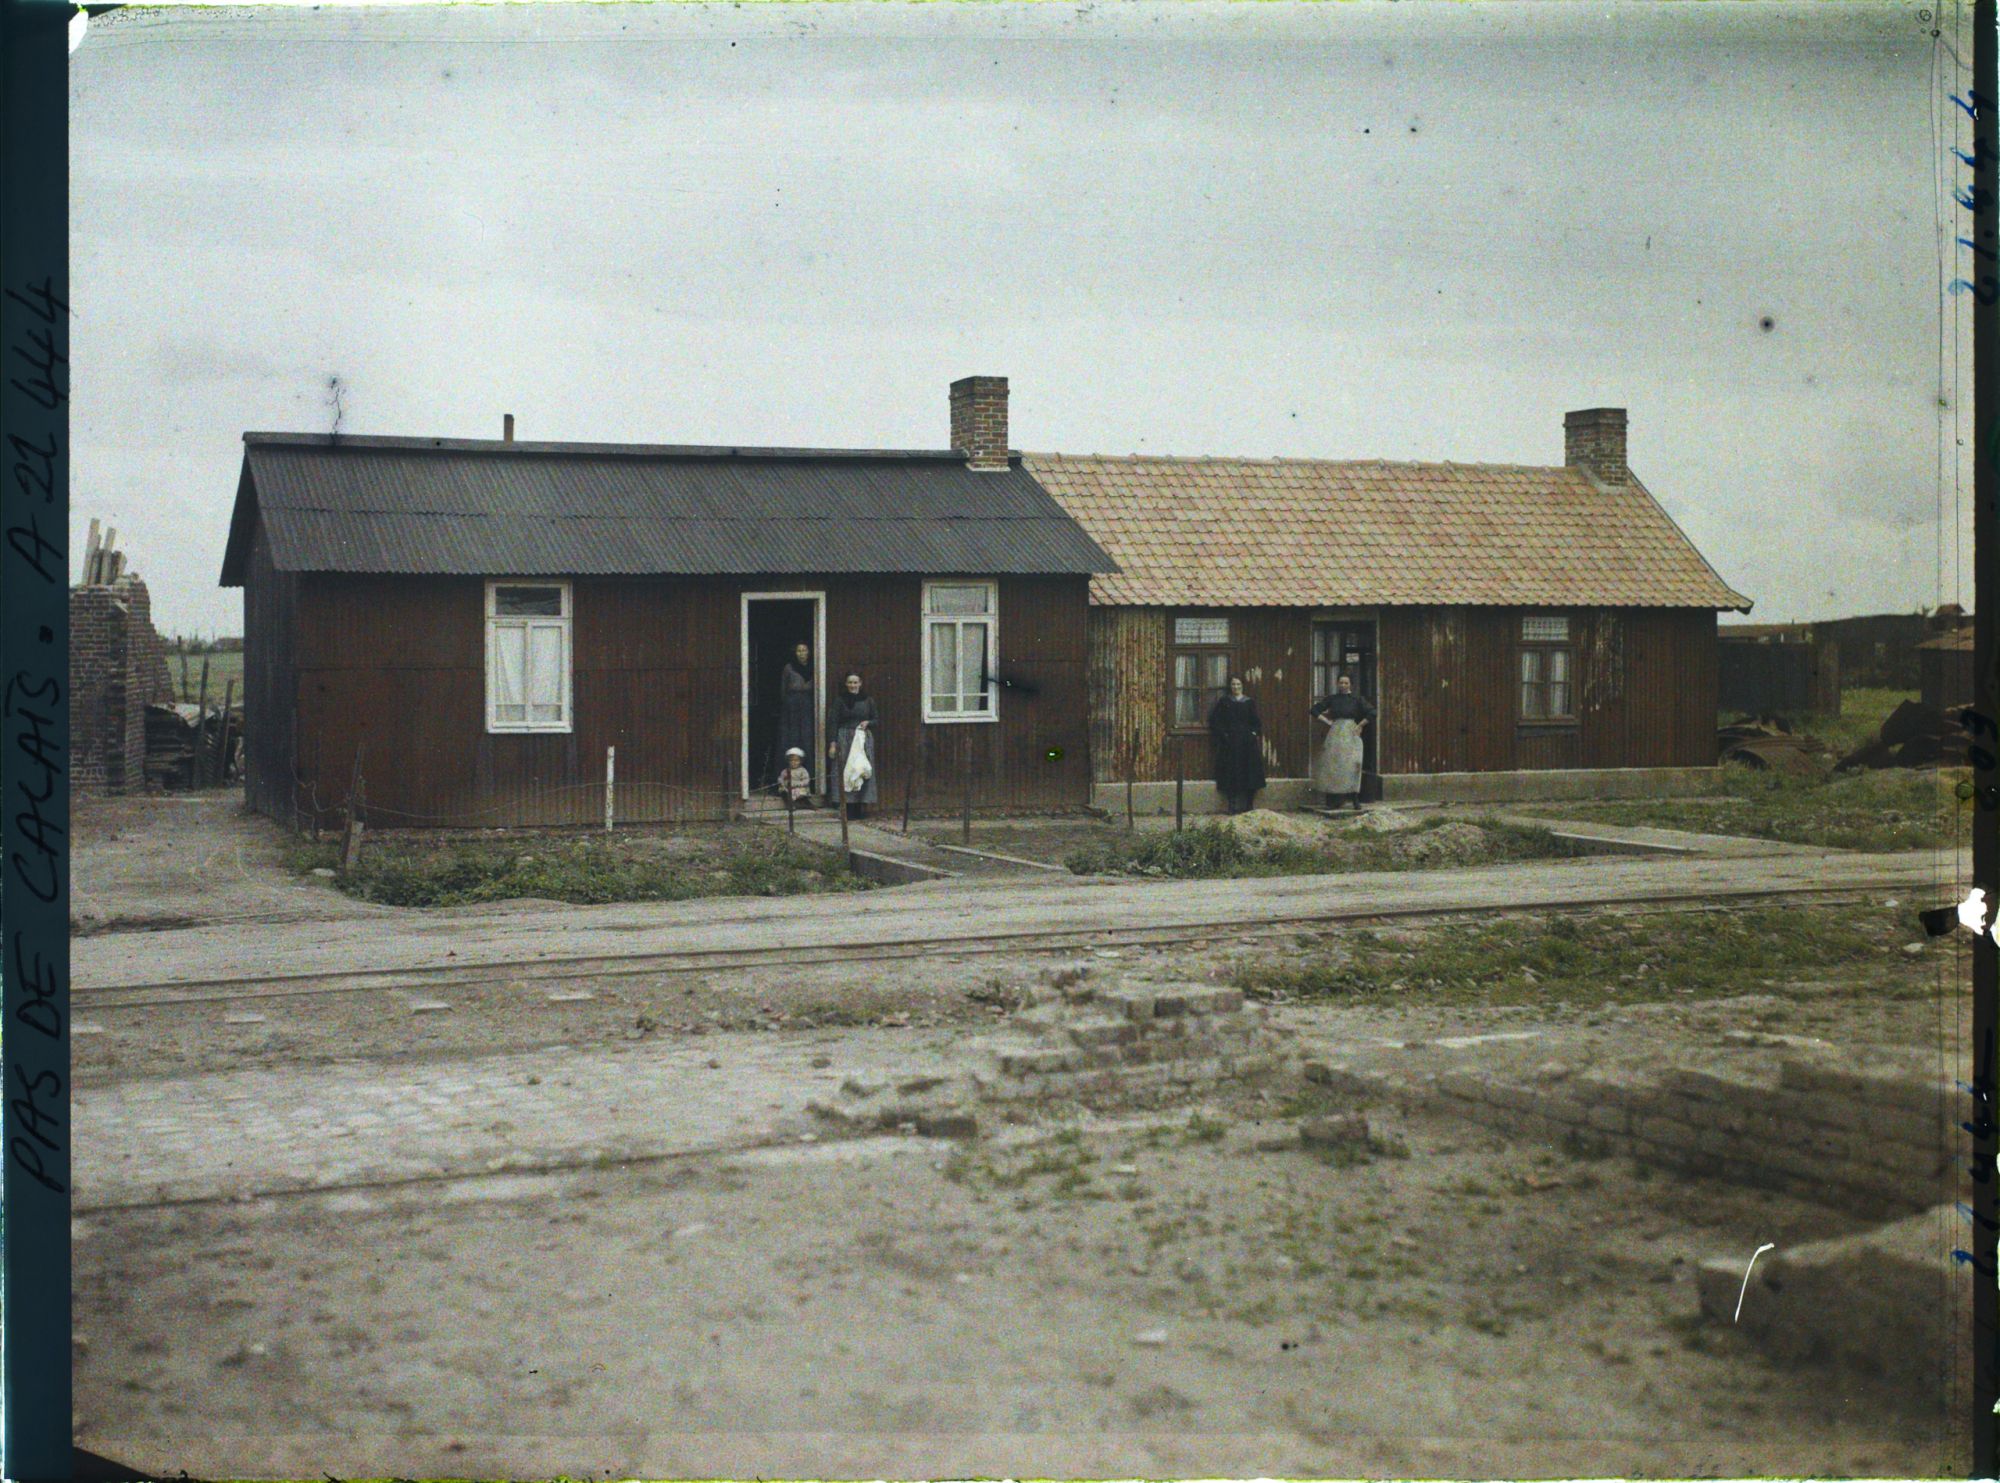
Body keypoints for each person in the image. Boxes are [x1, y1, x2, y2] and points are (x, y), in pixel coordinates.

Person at [1311, 673, 1375, 811]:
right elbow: (1314, 710)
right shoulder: (1332, 699)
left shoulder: (1357, 699)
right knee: (1335, 765)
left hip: (1351, 733)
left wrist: (1360, 725)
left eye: (1346, 683)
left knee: (1352, 765)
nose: (1343, 685)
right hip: (1335, 734)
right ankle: (1335, 800)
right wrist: (1328, 722)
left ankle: (1355, 799)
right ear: (1337, 684)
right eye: (1341, 683)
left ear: (1350, 684)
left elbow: (1372, 712)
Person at [1207, 675, 1267, 815]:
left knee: (1249, 772)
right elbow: (1215, 721)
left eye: (1238, 684)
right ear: (1230, 686)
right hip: (1231, 744)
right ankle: (1232, 805)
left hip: (1247, 744)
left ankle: (1249, 805)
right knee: (1231, 772)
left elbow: (1256, 723)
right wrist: (1224, 735)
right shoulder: (1225, 702)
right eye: (1233, 685)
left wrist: (1253, 734)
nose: (1236, 687)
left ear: (1242, 686)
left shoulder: (1249, 702)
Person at [827, 671, 879, 818]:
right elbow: (833, 722)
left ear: (860, 683)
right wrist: (833, 744)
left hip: (863, 739)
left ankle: (859, 808)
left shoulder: (868, 700)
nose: (852, 685)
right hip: (844, 739)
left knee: (861, 769)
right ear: (846, 684)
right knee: (846, 771)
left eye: (855, 682)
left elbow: (876, 719)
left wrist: (868, 722)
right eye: (850, 682)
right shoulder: (839, 701)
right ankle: (847, 809)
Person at [775, 642, 815, 786]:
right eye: (799, 650)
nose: (801, 653)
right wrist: (789, 705)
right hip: (791, 709)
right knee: (789, 738)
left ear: (809, 652)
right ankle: (785, 781)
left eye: (804, 650)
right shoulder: (789, 668)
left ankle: (808, 780)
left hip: (808, 707)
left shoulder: (815, 667)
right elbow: (783, 691)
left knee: (807, 739)